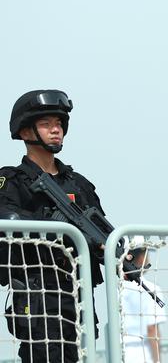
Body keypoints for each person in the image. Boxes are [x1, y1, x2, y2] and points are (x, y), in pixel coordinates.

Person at [0, 90, 105, 362]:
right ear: (25, 132)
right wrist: (59, 228)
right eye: (46, 124)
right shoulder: (10, 181)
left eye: (59, 124)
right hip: (38, 292)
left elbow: (102, 229)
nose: (56, 130)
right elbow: (7, 219)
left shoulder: (79, 184)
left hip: (78, 292)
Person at [121, 236, 167, 363]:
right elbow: (152, 329)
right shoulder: (152, 289)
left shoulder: (116, 288)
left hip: (118, 353)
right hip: (143, 355)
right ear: (141, 257)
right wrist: (157, 360)